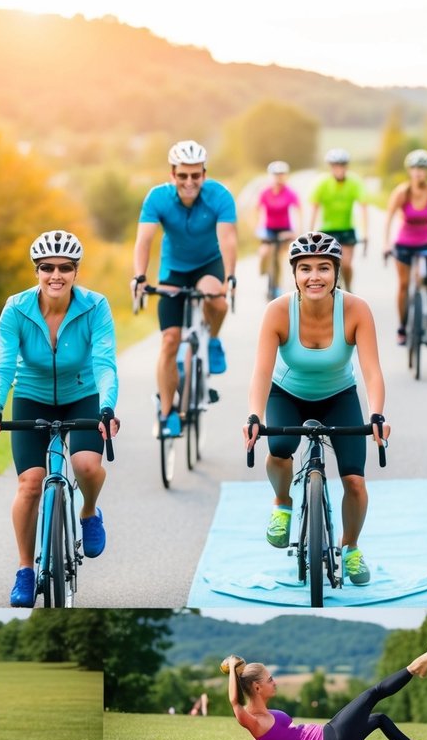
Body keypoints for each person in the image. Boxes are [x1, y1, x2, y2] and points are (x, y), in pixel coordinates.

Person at [0, 230, 121, 607]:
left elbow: (105, 364)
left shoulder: (95, 306)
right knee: (30, 483)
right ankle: (25, 569)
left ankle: (89, 512)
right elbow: (3, 368)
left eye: (64, 268)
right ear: (36, 270)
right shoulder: (16, 308)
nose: (55, 275)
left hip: (83, 395)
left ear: (76, 271)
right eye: (47, 268)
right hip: (32, 396)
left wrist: (107, 407)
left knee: (87, 465)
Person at [242, 232, 390, 585]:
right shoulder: (278, 311)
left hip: (339, 396)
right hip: (287, 395)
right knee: (278, 449)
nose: (315, 277)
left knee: (354, 481)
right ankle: (282, 503)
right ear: (293, 274)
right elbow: (262, 371)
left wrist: (377, 414)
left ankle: (350, 547)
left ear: (337, 272)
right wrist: (253, 415)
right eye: (305, 268)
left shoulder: (356, 310)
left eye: (324, 268)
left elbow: (371, 370)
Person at [131, 140, 238, 438]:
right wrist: (139, 276)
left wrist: (230, 276)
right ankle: (167, 415)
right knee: (170, 340)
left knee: (216, 301)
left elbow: (228, 238)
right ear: (172, 174)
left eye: (195, 175)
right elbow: (144, 240)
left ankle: (213, 340)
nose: (189, 182)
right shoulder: (157, 198)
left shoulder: (219, 195)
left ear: (204, 174)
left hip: (208, 264)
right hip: (174, 269)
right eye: (183, 175)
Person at [221, 649, 427, 740]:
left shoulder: (259, 721)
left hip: (330, 735)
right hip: (331, 739)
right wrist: (232, 667)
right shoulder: (253, 720)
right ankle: (415, 667)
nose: (274, 682)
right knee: (373, 694)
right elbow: (234, 702)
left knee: (379, 718)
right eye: (270, 679)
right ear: (257, 688)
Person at [382, 149, 427, 345]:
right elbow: (388, 218)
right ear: (409, 171)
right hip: (403, 244)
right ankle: (401, 327)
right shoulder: (402, 192)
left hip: (424, 243)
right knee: (404, 285)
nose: (419, 173)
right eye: (415, 169)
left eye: (423, 169)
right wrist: (385, 244)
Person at [310, 148, 368, 291]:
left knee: (346, 264)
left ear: (346, 167)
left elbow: (364, 208)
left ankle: (349, 289)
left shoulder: (354, 182)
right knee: (326, 265)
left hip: (347, 229)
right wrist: (310, 231)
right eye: (335, 166)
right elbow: (314, 208)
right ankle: (327, 292)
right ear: (331, 167)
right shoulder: (322, 183)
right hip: (327, 231)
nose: (339, 169)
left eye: (342, 165)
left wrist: (365, 232)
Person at [255, 160, 301, 294]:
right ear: (271, 176)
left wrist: (295, 232)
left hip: (285, 229)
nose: (279, 178)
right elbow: (256, 210)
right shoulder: (265, 192)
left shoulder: (290, 193)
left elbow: (299, 211)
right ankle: (264, 270)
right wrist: (257, 228)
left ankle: (277, 285)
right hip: (268, 229)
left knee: (280, 258)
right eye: (276, 175)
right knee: (264, 252)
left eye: (282, 175)